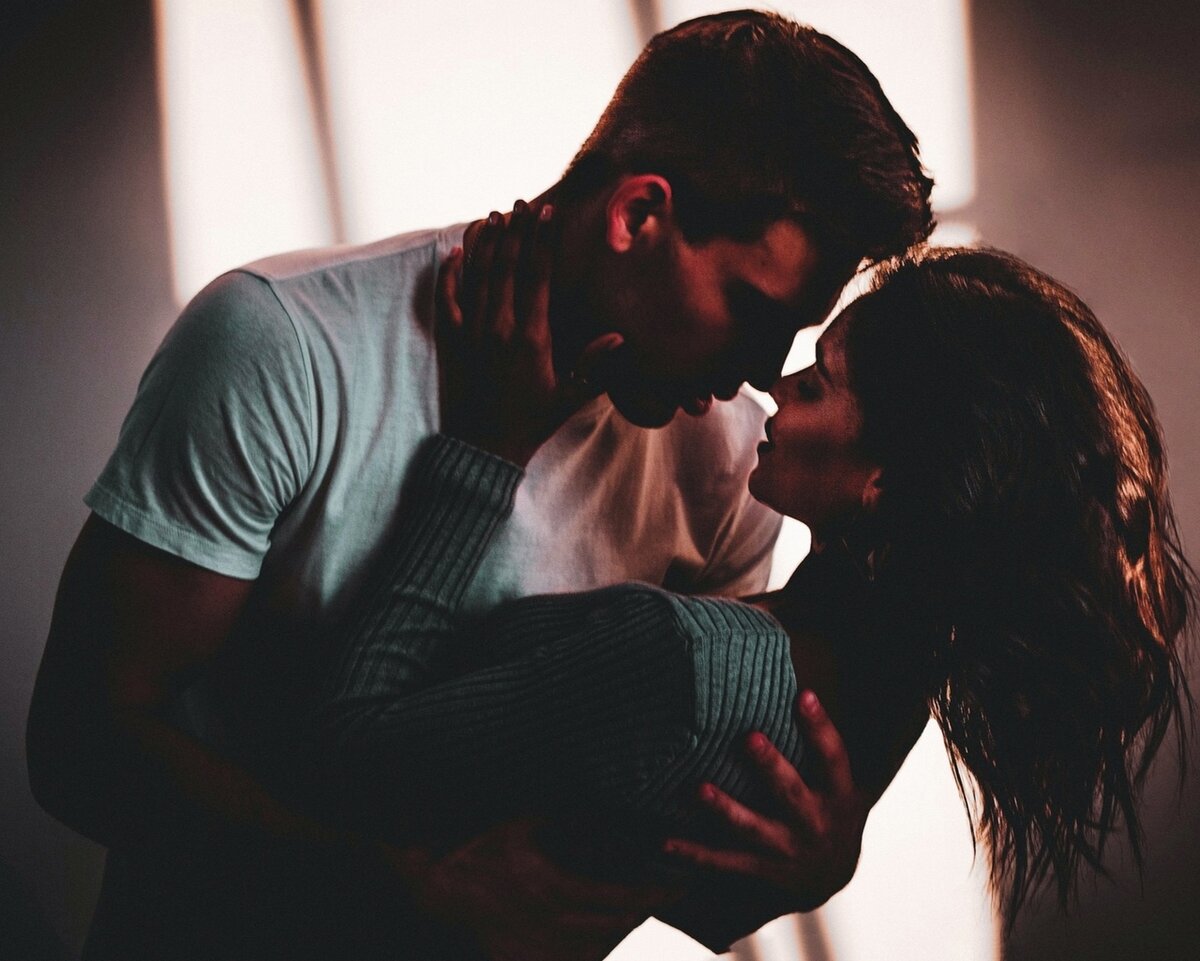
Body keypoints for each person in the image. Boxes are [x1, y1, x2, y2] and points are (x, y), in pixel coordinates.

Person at [25, 10, 934, 961]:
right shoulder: (283, 345)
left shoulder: (731, 457)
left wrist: (791, 862)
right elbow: (83, 745)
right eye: (752, 309)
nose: (764, 370)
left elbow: (639, 821)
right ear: (637, 216)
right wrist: (393, 890)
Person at [319, 235, 1194, 956]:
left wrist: (489, 447)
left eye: (815, 383)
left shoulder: (680, 657)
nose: (770, 389)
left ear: (886, 484)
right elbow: (708, 900)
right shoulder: (889, 696)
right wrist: (823, 875)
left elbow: (356, 745)